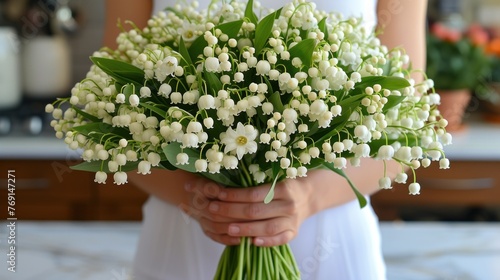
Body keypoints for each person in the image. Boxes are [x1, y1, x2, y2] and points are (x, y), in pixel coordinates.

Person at [103, 1, 428, 279]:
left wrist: (310, 197)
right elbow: (115, 114)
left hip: (333, 249)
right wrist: (201, 200)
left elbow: (404, 128)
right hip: (180, 243)